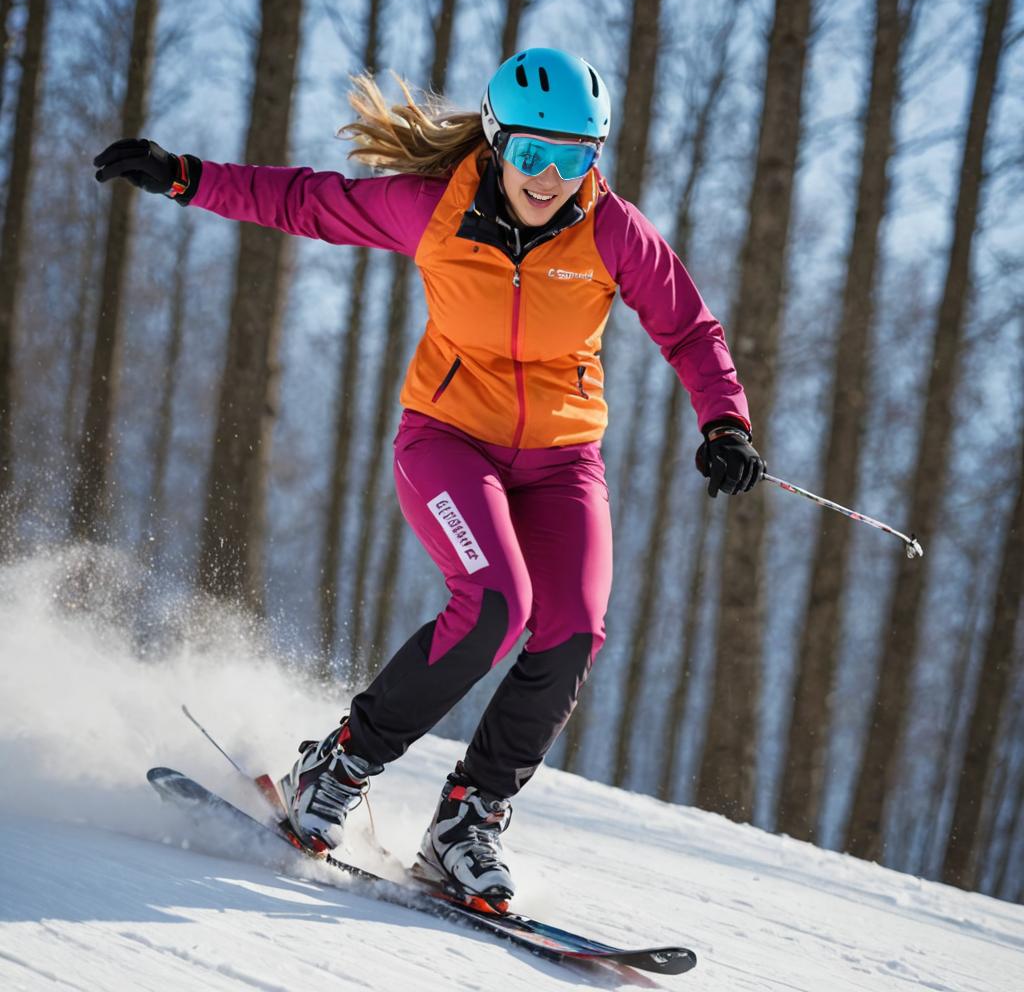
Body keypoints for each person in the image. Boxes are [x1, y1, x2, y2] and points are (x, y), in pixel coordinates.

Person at [95, 47, 764, 913]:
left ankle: (467, 821)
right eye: (533, 154)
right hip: (449, 441)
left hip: (564, 461)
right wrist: (185, 176)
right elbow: (304, 202)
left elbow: (690, 329)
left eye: (576, 157)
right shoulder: (431, 209)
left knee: (573, 626)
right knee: (494, 604)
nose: (552, 177)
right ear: (495, 142)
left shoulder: (612, 231)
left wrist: (726, 421)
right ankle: (335, 767)